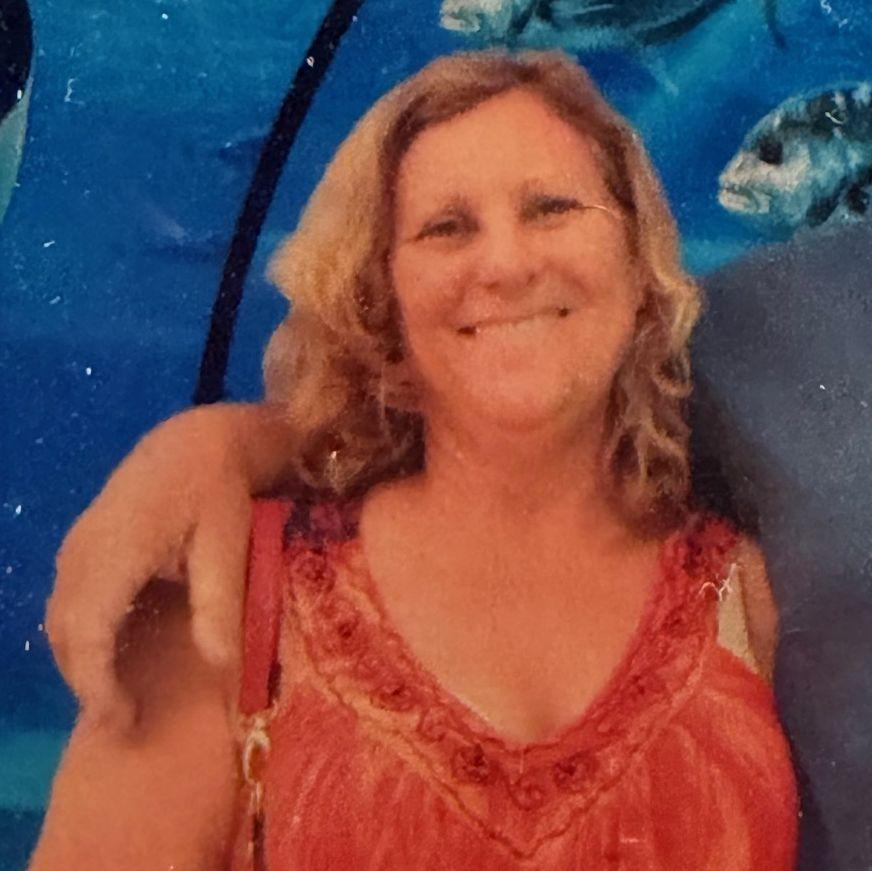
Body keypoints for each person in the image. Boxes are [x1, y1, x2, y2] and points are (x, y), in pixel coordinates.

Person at [31, 49, 799, 869]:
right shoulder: (230, 593)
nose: (505, 264)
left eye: (551, 208)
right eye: (446, 228)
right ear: (380, 302)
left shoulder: (757, 600)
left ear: (639, 266)